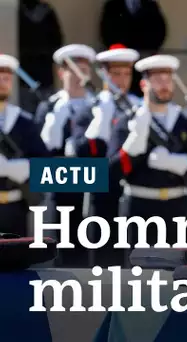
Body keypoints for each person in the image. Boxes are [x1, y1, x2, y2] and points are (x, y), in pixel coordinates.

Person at [107, 54, 187, 248]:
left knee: (177, 271)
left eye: (167, 79)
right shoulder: (128, 121)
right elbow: (111, 171)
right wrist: (131, 148)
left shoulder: (185, 121)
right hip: (139, 207)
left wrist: (181, 162)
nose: (164, 85)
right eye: (157, 80)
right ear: (143, 85)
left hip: (177, 206)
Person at [74, 43, 140, 266]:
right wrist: (101, 121)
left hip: (134, 194)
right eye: (116, 74)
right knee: (103, 264)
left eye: (126, 74)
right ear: (103, 74)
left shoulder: (139, 107)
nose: (121, 80)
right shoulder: (89, 107)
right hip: (100, 195)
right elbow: (81, 151)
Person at [35, 43, 97, 266]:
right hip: (58, 187)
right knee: (55, 249)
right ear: (62, 73)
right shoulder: (49, 107)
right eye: (74, 69)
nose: (80, 75)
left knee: (88, 252)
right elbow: (40, 152)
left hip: (89, 188)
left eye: (84, 69)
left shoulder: (97, 105)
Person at [0, 54, 49, 236]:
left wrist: (24, 168)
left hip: (15, 209)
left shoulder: (24, 121)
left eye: (7, 78)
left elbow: (44, 163)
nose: (3, 82)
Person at [100, 0, 167, 97]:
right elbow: (107, 32)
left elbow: (160, 31)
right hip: (122, 60)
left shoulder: (150, 4)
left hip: (144, 60)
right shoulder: (113, 5)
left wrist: (144, 45)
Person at [18, 0, 63, 113]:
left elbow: (57, 41)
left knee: (47, 112)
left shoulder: (47, 12)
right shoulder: (18, 11)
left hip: (45, 74)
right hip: (24, 74)